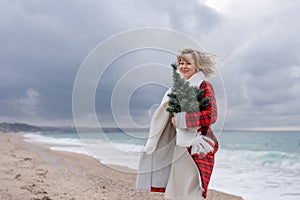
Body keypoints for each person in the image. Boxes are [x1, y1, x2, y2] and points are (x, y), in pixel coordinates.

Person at [136, 48, 218, 200]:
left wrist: (182, 119)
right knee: (175, 189)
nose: (183, 66)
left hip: (197, 145)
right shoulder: (174, 90)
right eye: (180, 63)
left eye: (188, 63)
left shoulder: (204, 86)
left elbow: (212, 115)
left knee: (191, 189)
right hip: (178, 145)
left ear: (197, 65)